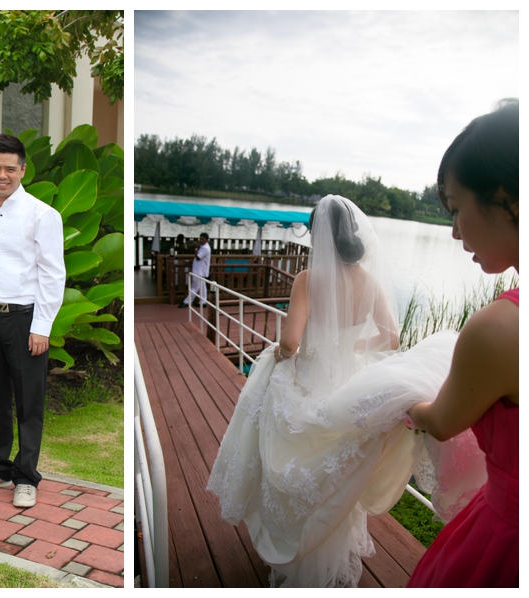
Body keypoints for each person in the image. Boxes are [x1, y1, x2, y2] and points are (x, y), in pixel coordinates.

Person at [206, 194, 459, 587]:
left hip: (309, 379)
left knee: (289, 463)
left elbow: (290, 343)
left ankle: (289, 545)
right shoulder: (370, 281)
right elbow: (391, 338)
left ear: (319, 234)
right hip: (348, 383)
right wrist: (353, 347)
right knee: (336, 476)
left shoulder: (309, 280)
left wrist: (280, 349)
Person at [405, 100, 518, 587]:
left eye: (455, 209)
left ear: (503, 196)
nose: (453, 232)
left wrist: (409, 399)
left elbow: (443, 421)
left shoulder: (500, 328)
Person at [0, 134, 65, 508]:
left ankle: (26, 476)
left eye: (10, 168)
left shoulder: (43, 215)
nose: (2, 175)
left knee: (29, 401)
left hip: (25, 319)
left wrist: (42, 326)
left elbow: (53, 274)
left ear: (23, 169)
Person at [179, 232, 211, 308]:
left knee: (194, 287)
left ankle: (187, 302)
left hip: (199, 271)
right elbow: (197, 258)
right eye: (200, 239)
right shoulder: (203, 247)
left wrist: (195, 247)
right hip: (200, 270)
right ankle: (203, 302)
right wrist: (189, 262)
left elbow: (198, 257)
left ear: (206, 240)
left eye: (202, 239)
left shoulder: (205, 248)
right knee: (202, 287)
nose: (201, 240)